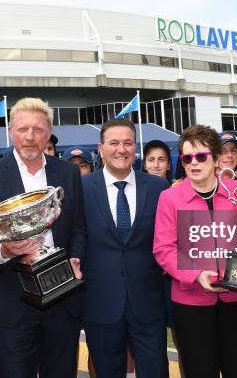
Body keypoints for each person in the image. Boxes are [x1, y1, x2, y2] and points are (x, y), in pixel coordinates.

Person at [0, 97, 85, 378]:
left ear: (49, 132)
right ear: (10, 131)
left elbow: (79, 228)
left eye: (38, 129)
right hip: (11, 305)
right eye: (22, 129)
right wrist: (5, 251)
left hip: (61, 297)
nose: (30, 137)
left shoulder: (68, 173)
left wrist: (77, 260)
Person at [154, 125, 237, 377]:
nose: (193, 163)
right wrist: (196, 274)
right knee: (199, 370)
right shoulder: (170, 197)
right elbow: (164, 249)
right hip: (192, 301)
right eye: (187, 158)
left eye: (201, 156)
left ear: (217, 158)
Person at [80, 119, 170, 377]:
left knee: (155, 371)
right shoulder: (82, 188)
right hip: (100, 302)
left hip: (148, 302)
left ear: (135, 147)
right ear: (101, 148)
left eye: (128, 143)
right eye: (114, 143)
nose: (121, 149)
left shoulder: (158, 188)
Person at [142, 139, 185, 377]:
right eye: (151, 160)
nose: (156, 165)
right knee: (153, 342)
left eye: (161, 160)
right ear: (145, 163)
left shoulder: (180, 191)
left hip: (176, 278)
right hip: (149, 280)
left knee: (183, 342)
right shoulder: (137, 194)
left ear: (169, 164)